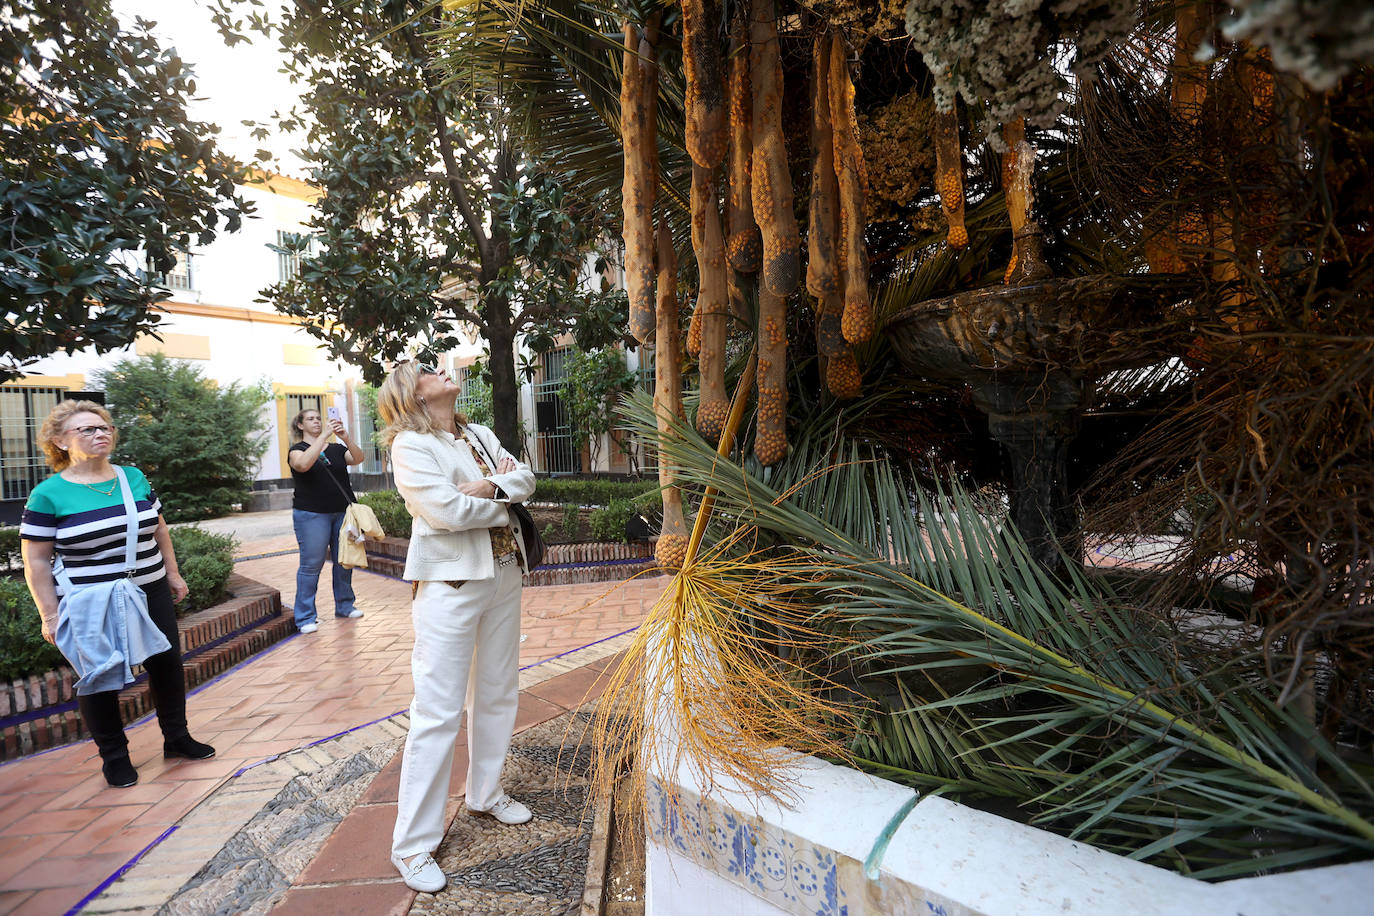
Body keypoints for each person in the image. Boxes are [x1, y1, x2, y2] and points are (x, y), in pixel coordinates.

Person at [377, 361, 537, 894]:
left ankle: (485, 793)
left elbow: (528, 479)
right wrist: (500, 495)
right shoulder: (409, 444)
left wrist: (488, 484)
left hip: (505, 575)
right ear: (411, 393)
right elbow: (444, 512)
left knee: (498, 692)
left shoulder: (479, 434)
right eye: (428, 369)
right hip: (450, 588)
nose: (444, 370)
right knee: (437, 712)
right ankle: (413, 846)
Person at [19, 400, 215, 788]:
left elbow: (159, 529)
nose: (100, 434)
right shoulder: (48, 494)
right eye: (87, 429)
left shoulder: (133, 477)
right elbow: (37, 563)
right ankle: (115, 756)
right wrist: (50, 615)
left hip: (149, 586)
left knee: (166, 664)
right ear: (60, 441)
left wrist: (172, 573)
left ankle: (177, 738)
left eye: (104, 427)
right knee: (100, 674)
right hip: (91, 599)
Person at [287, 407, 366, 633]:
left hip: (343, 512)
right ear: (300, 425)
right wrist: (322, 437)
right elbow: (303, 465)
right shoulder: (297, 450)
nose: (317, 422)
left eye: (319, 419)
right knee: (311, 565)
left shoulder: (336, 449)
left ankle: (344, 605)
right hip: (311, 514)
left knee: (344, 561)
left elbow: (358, 458)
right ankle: (305, 617)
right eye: (310, 419)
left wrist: (345, 437)